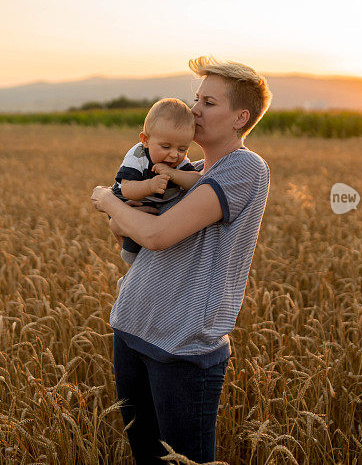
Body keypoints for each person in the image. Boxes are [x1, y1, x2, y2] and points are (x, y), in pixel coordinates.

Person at [91, 56, 272, 464]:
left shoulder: (245, 167)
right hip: (132, 328)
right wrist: (122, 215)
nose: (194, 110)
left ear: (240, 117)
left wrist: (106, 199)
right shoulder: (185, 168)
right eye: (196, 99)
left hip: (182, 347)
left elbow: (154, 235)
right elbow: (123, 231)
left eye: (208, 102)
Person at [111, 98, 201, 265]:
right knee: (134, 249)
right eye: (166, 147)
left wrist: (173, 173)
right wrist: (150, 185)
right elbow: (127, 189)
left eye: (182, 149)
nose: (174, 154)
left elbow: (196, 182)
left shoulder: (178, 163)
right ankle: (132, 266)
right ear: (145, 140)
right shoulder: (137, 156)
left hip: (155, 205)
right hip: (129, 201)